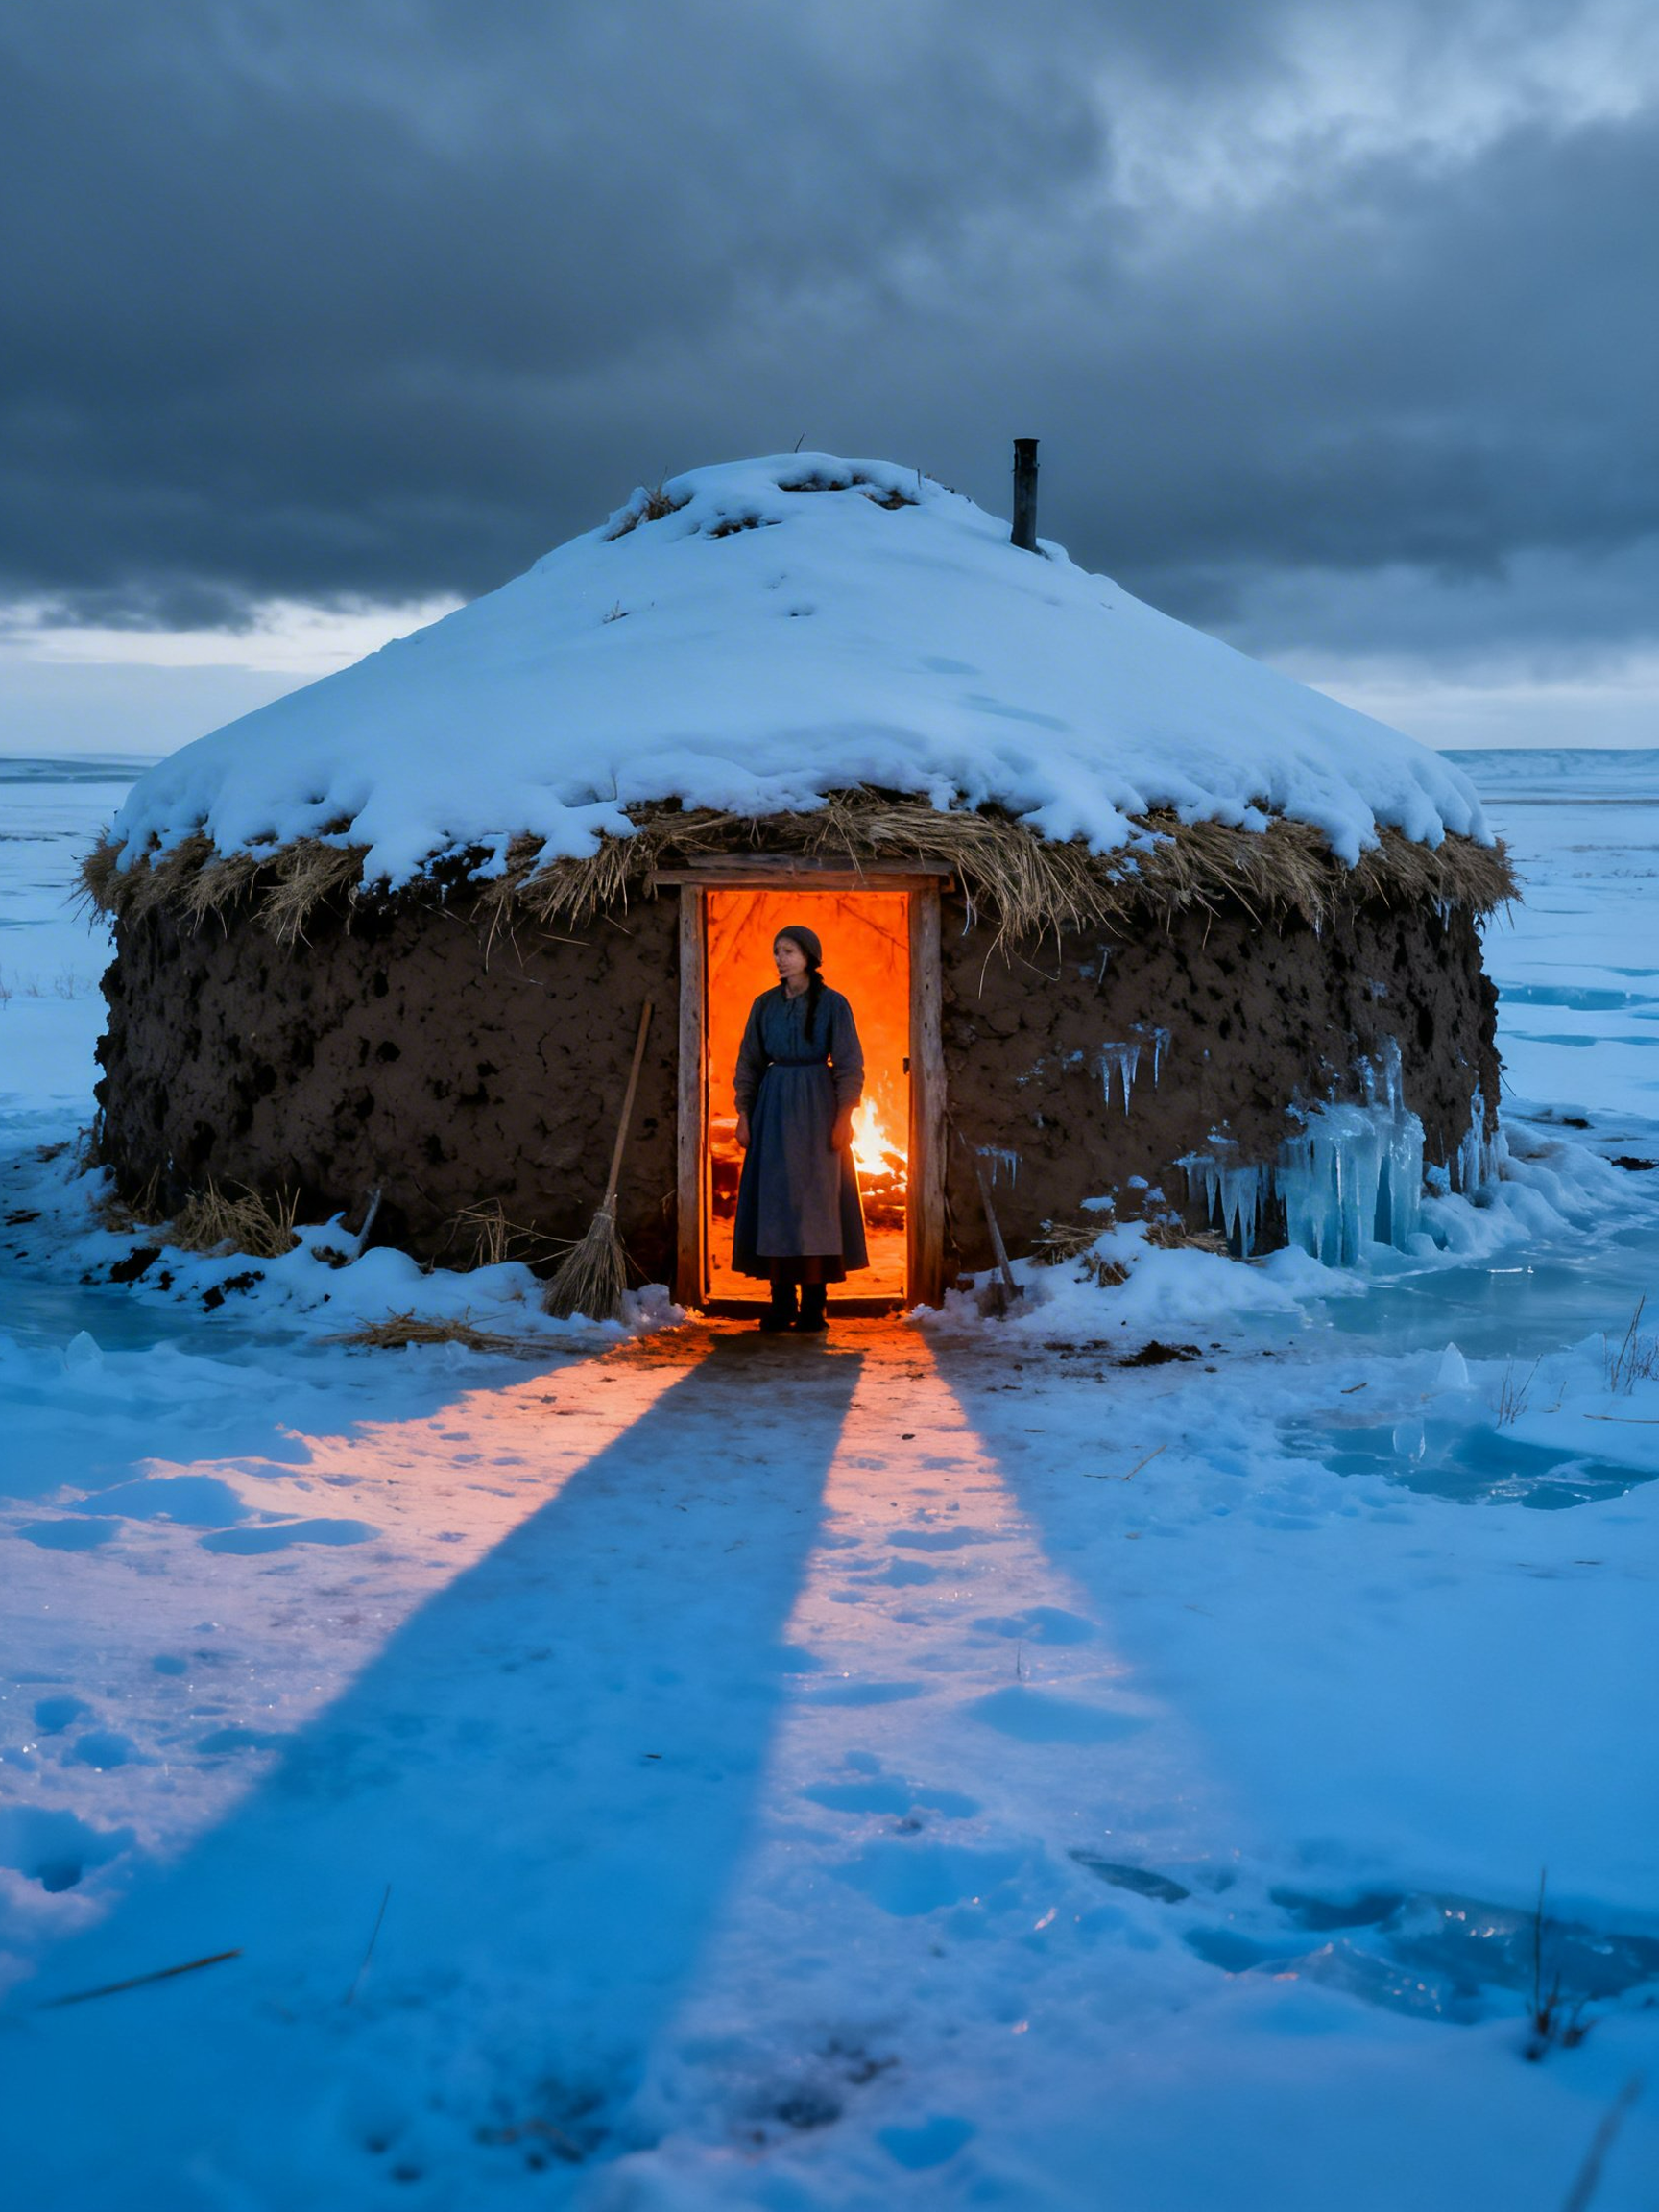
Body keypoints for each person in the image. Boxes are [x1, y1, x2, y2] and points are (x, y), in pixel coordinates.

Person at [732, 922, 870, 1332]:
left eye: (788, 951)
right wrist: (744, 1113)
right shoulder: (764, 1005)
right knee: (776, 1201)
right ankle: (781, 1301)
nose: (780, 958)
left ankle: (814, 1304)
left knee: (816, 1203)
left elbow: (849, 1064)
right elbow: (749, 1064)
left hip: (817, 1109)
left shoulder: (833, 1004)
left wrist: (844, 1116)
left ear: (808, 957)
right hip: (772, 1110)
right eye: (777, 951)